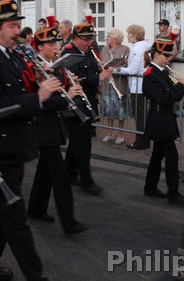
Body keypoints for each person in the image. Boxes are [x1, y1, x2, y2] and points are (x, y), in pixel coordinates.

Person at [0, 0, 59, 281]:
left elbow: (26, 91)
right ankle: (35, 274)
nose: (17, 31)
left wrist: (44, 85)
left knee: (1, 209)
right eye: (11, 26)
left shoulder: (14, 56)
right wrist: (38, 98)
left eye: (17, 25)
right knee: (15, 214)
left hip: (16, 142)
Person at [26, 23, 89, 234]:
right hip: (42, 125)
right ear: (40, 47)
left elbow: (58, 93)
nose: (56, 48)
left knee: (45, 170)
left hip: (55, 123)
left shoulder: (56, 66)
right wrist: (67, 97)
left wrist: (72, 85)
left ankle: (36, 208)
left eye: (56, 43)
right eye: (51, 44)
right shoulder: (35, 69)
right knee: (60, 175)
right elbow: (41, 102)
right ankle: (69, 221)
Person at [61, 21, 111, 195]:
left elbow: (90, 71)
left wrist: (101, 68)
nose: (90, 42)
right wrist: (98, 77)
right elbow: (76, 78)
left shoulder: (89, 52)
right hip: (76, 103)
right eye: (86, 39)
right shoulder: (69, 53)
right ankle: (86, 181)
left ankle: (69, 173)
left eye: (91, 38)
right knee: (83, 142)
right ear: (75, 38)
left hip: (89, 100)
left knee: (78, 141)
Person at [142, 39, 184, 206]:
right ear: (156, 55)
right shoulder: (150, 74)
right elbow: (165, 98)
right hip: (160, 120)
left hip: (165, 118)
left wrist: (178, 87)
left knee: (158, 155)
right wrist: (181, 86)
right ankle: (173, 192)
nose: (169, 59)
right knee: (172, 156)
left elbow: (170, 95)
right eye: (166, 56)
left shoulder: (162, 71)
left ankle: (150, 187)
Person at [115, 24, 151, 150]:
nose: (127, 36)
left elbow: (133, 70)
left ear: (135, 35)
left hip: (137, 87)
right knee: (142, 115)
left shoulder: (137, 49)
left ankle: (140, 142)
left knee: (140, 116)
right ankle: (144, 141)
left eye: (129, 34)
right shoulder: (144, 47)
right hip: (141, 86)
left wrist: (118, 69)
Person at [99, 28, 129, 144]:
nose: (106, 38)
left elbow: (127, 65)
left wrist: (116, 69)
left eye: (109, 36)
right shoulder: (104, 49)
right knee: (108, 110)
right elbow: (100, 65)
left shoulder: (125, 49)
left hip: (119, 84)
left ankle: (121, 134)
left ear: (115, 38)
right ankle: (110, 133)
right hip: (106, 84)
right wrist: (100, 65)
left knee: (120, 110)